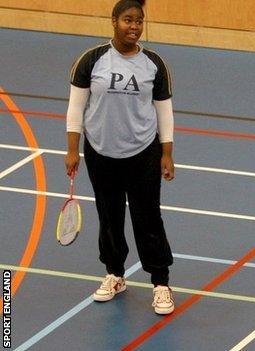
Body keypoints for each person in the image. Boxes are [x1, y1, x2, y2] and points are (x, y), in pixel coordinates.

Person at [64, 0, 176, 315]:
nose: (134, 27)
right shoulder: (91, 60)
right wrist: (73, 148)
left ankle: (161, 283)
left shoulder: (154, 64)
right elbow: (76, 108)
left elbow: (163, 110)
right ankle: (114, 274)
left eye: (139, 21)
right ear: (114, 21)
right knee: (109, 217)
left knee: (148, 218)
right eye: (128, 20)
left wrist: (167, 152)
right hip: (101, 153)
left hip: (142, 153)